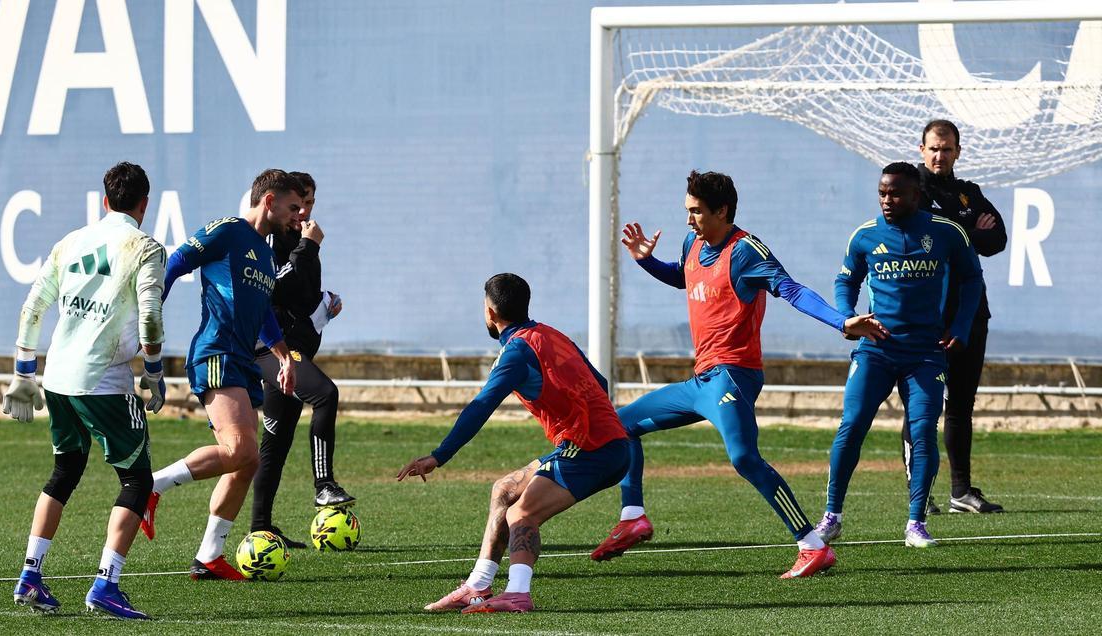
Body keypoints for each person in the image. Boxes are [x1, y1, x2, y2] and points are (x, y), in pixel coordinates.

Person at [590, 170, 888, 579]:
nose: (689, 219)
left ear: (723, 210)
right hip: (702, 380)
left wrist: (842, 322)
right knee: (619, 425)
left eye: (696, 211)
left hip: (733, 375)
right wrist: (647, 262)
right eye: (687, 210)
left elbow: (791, 289)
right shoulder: (692, 241)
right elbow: (685, 276)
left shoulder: (747, 251)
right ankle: (633, 516)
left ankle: (812, 544)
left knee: (745, 458)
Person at [397, 273, 630, 614]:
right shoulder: (551, 334)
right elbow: (600, 381)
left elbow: (481, 406)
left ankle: (518, 593)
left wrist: (438, 456)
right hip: (595, 443)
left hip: (592, 448)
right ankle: (477, 585)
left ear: (490, 313)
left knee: (521, 514)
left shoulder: (517, 352)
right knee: (504, 490)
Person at [4, 161, 167, 619]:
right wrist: (153, 371)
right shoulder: (145, 247)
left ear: (104, 200)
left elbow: (33, 306)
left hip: (57, 378)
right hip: (104, 382)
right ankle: (106, 584)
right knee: (137, 480)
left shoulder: (70, 241)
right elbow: (151, 314)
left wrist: (23, 373)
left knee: (65, 471)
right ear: (144, 204)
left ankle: (30, 574)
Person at [138, 169, 301, 580]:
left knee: (246, 463)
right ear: (269, 200)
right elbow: (176, 262)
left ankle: (209, 556)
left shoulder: (264, 253)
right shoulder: (228, 229)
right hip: (217, 352)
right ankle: (150, 485)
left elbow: (262, 312)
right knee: (242, 451)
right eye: (293, 207)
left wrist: (282, 355)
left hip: (243, 361)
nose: (297, 216)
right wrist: (151, 317)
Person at [815, 162, 983, 548]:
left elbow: (972, 278)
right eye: (882, 193)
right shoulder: (865, 236)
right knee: (852, 425)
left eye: (896, 193)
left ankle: (915, 524)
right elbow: (845, 280)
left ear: (916, 195)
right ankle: (832, 516)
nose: (887, 200)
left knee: (923, 431)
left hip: (925, 353)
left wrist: (959, 327)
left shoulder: (946, 232)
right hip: (875, 349)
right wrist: (848, 318)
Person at [906, 119, 1007, 515]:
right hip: (926, 314)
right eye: (933, 148)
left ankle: (961, 492)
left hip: (970, 313)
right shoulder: (910, 190)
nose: (939, 155)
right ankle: (919, 492)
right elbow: (930, 235)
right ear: (921, 149)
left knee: (961, 404)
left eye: (946, 149)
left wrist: (959, 227)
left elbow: (996, 239)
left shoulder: (969, 192)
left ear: (957, 152)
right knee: (923, 402)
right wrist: (968, 227)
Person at [251, 172, 352, 549]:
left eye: (309, 203)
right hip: (269, 350)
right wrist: (308, 247)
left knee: (275, 442)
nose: (304, 211)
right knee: (325, 394)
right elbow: (274, 284)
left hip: (293, 350)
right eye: (298, 204)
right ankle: (324, 485)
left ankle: (260, 527)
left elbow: (296, 294)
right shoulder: (275, 237)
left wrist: (325, 304)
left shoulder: (299, 238)